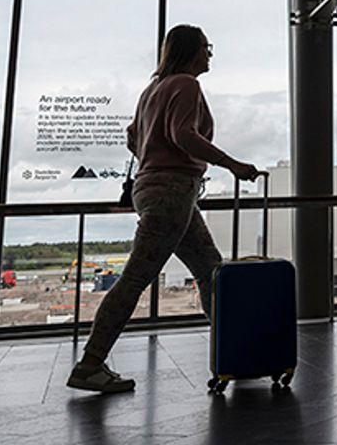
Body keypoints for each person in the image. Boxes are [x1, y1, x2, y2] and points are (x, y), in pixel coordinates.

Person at [67, 24, 260, 393]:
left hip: (156, 189)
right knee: (136, 278)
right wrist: (232, 164)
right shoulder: (186, 84)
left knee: (210, 270)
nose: (210, 53)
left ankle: (235, 354)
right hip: (171, 191)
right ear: (190, 50)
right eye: (206, 46)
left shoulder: (152, 89)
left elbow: (132, 137)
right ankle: (90, 364)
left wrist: (154, 156)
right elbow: (183, 134)